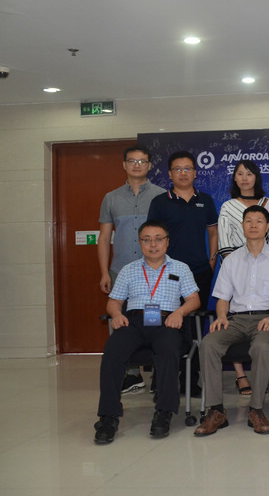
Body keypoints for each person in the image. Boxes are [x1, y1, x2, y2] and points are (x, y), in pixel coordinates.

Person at [93, 220, 200, 444]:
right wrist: (116, 314)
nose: (153, 244)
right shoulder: (128, 269)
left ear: (167, 242)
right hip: (134, 322)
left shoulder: (180, 268)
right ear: (140, 243)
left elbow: (194, 300)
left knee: (169, 352)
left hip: (167, 321)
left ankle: (164, 412)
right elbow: (113, 302)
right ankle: (108, 417)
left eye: (158, 239)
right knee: (112, 352)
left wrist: (180, 312)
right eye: (147, 240)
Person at [194, 205, 269, 436]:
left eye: (259, 221)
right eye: (248, 221)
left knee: (262, 347)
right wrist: (222, 316)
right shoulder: (231, 260)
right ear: (242, 226)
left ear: (267, 226)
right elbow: (223, 298)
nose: (253, 225)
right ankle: (216, 410)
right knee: (209, 343)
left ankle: (256, 410)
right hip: (237, 319)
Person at [97, 144, 165, 393]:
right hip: (120, 269)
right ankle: (131, 375)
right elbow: (105, 237)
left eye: (142, 161)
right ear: (124, 164)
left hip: (154, 270)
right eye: (132, 161)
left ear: (149, 165)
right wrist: (104, 272)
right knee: (121, 318)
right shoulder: (111, 198)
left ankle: (158, 372)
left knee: (154, 318)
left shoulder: (161, 196)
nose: (137, 165)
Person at [216, 159, 269, 395]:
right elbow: (224, 244)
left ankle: (260, 378)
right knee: (234, 319)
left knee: (262, 328)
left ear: (256, 177)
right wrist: (240, 267)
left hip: (266, 270)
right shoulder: (227, 206)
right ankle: (240, 375)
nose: (244, 178)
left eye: (249, 174)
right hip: (235, 271)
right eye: (240, 173)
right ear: (235, 178)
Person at [147, 151, 218, 304]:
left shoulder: (205, 200)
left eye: (187, 169)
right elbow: (151, 237)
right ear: (170, 174)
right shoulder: (159, 202)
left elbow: (213, 233)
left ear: (195, 173)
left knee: (197, 315)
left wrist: (211, 263)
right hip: (169, 270)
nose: (183, 173)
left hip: (200, 271)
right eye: (178, 169)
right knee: (171, 314)